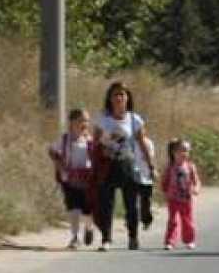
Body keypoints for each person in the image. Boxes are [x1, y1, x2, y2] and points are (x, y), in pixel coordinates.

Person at [92, 82, 156, 252]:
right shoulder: (103, 119)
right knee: (106, 204)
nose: (119, 98)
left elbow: (142, 143)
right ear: (110, 98)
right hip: (108, 166)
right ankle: (106, 238)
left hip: (128, 164)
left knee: (131, 205)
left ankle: (133, 237)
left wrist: (150, 165)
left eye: (122, 94)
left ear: (128, 97)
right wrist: (101, 150)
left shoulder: (134, 119)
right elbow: (95, 141)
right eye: (115, 95)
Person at [48, 109, 95, 249]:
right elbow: (52, 151)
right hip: (69, 179)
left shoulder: (90, 140)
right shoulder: (64, 139)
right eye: (81, 120)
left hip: (87, 180)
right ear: (72, 122)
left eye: (86, 120)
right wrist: (60, 166)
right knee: (73, 208)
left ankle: (89, 227)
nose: (84, 123)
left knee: (87, 210)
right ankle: (75, 237)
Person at [161, 139, 201, 250]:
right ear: (174, 152)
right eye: (181, 150)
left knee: (187, 220)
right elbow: (164, 181)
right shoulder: (170, 167)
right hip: (173, 198)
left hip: (186, 198)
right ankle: (170, 241)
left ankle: (189, 240)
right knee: (172, 220)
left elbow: (196, 180)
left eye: (186, 151)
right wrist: (164, 192)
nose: (184, 153)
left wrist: (196, 188)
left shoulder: (190, 166)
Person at [135, 136, 156, 231]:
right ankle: (131, 220)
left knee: (145, 201)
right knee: (132, 200)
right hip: (132, 175)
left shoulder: (148, 142)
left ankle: (146, 220)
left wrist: (152, 171)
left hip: (145, 174)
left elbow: (150, 158)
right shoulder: (129, 142)